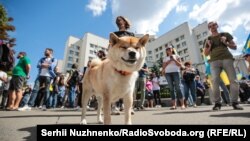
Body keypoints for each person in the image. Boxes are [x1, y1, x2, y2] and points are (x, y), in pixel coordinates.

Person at [203, 21, 243, 110]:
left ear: (217, 25)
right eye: (210, 26)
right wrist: (209, 46)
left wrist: (226, 43)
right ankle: (217, 103)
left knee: (233, 80)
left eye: (214, 25)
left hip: (227, 59)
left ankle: (235, 102)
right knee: (214, 81)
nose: (212, 27)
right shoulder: (208, 39)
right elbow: (206, 54)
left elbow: (234, 47)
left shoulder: (225, 34)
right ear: (209, 28)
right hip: (214, 61)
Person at [162, 44, 185, 110]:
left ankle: (182, 104)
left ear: (172, 49)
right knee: (171, 89)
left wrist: (174, 60)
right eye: (167, 49)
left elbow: (180, 65)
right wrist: (169, 61)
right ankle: (174, 105)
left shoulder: (177, 56)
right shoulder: (165, 58)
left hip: (176, 72)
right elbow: (163, 67)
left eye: (169, 48)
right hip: (168, 73)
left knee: (178, 88)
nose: (168, 50)